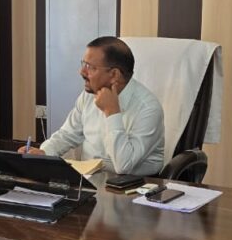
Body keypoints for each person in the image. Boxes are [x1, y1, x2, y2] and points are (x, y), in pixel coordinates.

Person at [20, 36, 165, 176]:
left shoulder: (148, 108)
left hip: (135, 184)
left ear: (114, 74)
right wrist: (44, 153)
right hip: (90, 178)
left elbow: (124, 165)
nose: (82, 72)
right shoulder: (88, 95)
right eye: (83, 64)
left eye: (90, 67)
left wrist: (112, 113)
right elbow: (68, 134)